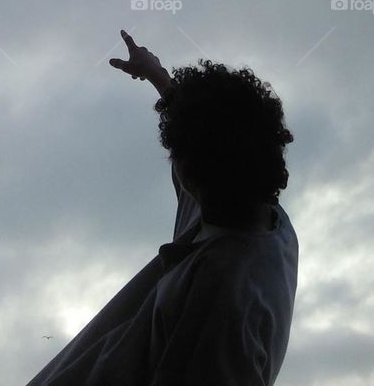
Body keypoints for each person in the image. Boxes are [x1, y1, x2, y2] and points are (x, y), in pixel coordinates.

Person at [25, 32, 298, 385]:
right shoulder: (247, 213)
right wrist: (157, 77)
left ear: (193, 173)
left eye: (179, 154)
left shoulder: (224, 298)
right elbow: (215, 129)